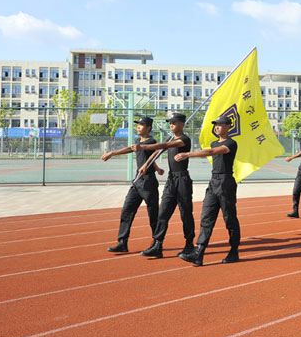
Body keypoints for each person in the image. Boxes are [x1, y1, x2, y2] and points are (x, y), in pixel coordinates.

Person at [176, 115, 240, 266]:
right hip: (213, 182)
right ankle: (199, 252)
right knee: (206, 217)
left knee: (230, 219)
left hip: (226, 182)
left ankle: (234, 251)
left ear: (228, 126)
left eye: (220, 124)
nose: (217, 127)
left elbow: (211, 152)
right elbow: (211, 150)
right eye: (216, 124)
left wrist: (187, 154)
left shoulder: (231, 143)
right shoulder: (213, 142)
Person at [131, 112, 194, 259]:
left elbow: (164, 145)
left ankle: (189, 244)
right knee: (163, 213)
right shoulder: (170, 137)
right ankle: (157, 245)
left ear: (182, 124)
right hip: (171, 180)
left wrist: (143, 147)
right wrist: (146, 164)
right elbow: (157, 151)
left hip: (182, 180)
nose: (171, 125)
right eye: (170, 122)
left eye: (174, 122)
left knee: (185, 213)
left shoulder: (184, 139)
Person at [102, 116, 164, 253]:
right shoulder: (137, 141)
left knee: (153, 214)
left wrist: (150, 167)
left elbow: (155, 153)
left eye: (142, 125)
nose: (138, 127)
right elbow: (131, 150)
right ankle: (122, 243)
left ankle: (157, 244)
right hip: (137, 181)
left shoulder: (152, 142)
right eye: (138, 124)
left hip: (148, 182)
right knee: (127, 210)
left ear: (148, 128)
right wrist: (112, 153)